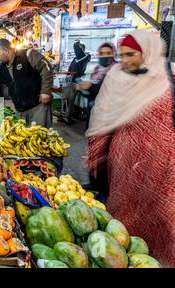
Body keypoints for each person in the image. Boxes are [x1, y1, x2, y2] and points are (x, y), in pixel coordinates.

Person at [86, 30, 175, 267]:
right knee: (126, 212)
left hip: (162, 157)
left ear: (146, 52)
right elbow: (103, 115)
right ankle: (125, 256)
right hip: (126, 157)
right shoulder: (116, 77)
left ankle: (155, 257)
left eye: (131, 54)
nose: (125, 60)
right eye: (122, 55)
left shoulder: (163, 74)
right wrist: (98, 152)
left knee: (160, 212)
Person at [0, 38, 54, 127]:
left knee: (40, 136)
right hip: (20, 110)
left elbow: (46, 67)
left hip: (38, 107)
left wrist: (46, 91)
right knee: (24, 138)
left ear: (6, 51)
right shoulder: (1, 69)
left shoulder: (28, 55)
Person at [77, 43, 116, 130]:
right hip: (94, 113)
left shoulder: (116, 70)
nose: (105, 56)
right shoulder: (97, 69)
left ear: (114, 53)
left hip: (109, 116)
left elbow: (105, 90)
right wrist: (82, 89)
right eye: (102, 53)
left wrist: (90, 86)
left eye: (108, 53)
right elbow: (91, 94)